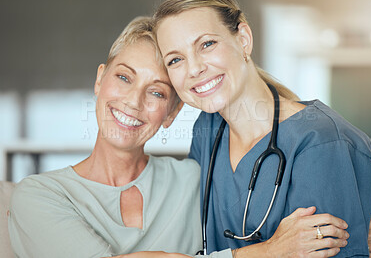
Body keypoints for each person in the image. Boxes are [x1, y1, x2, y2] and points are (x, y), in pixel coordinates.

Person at [7, 16, 348, 258]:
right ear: (100, 81)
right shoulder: (37, 196)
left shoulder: (194, 179)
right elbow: (270, 247)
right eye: (124, 78)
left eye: (156, 93)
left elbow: (268, 217)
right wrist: (269, 253)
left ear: (171, 113)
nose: (133, 101)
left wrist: (354, 231)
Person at [153, 0, 371, 257]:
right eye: (175, 60)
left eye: (207, 44)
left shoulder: (321, 143)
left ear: (243, 39)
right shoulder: (207, 130)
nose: (194, 68)